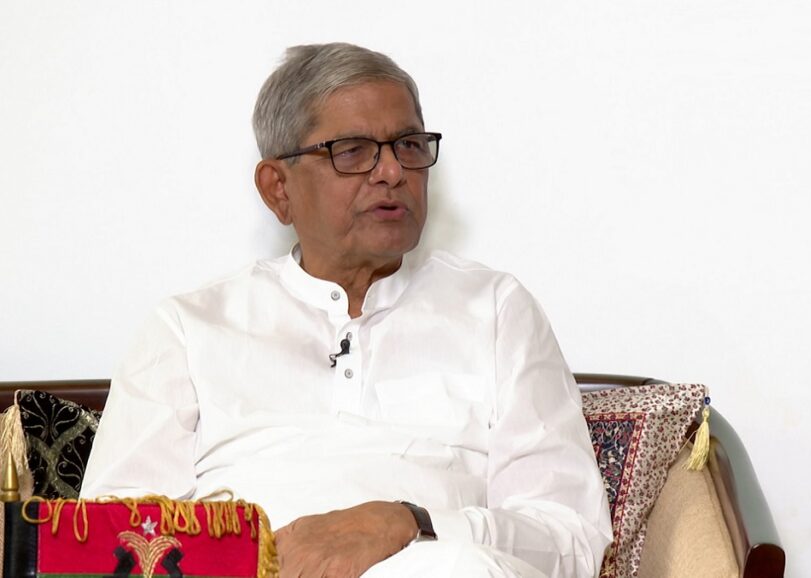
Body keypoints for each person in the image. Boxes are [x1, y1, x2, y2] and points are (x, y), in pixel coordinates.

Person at [81, 42, 612, 578]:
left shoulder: (495, 310)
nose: (392, 172)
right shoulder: (188, 328)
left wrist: (407, 522)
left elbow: (570, 540)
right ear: (278, 189)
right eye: (353, 151)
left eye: (408, 145)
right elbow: (111, 544)